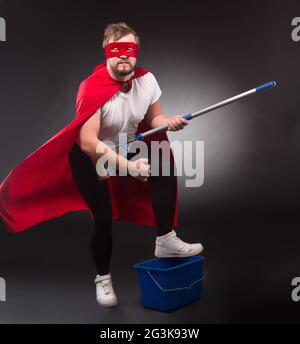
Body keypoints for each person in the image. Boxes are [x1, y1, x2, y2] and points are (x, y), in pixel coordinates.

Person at [68, 22, 203, 307]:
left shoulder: (147, 80)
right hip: (91, 154)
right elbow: (90, 143)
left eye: (129, 50)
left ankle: (165, 239)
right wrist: (130, 168)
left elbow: (155, 119)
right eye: (117, 50)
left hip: (124, 144)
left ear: (136, 53)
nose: (124, 56)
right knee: (103, 217)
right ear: (107, 53)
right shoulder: (91, 89)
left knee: (163, 165)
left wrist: (169, 122)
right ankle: (103, 279)